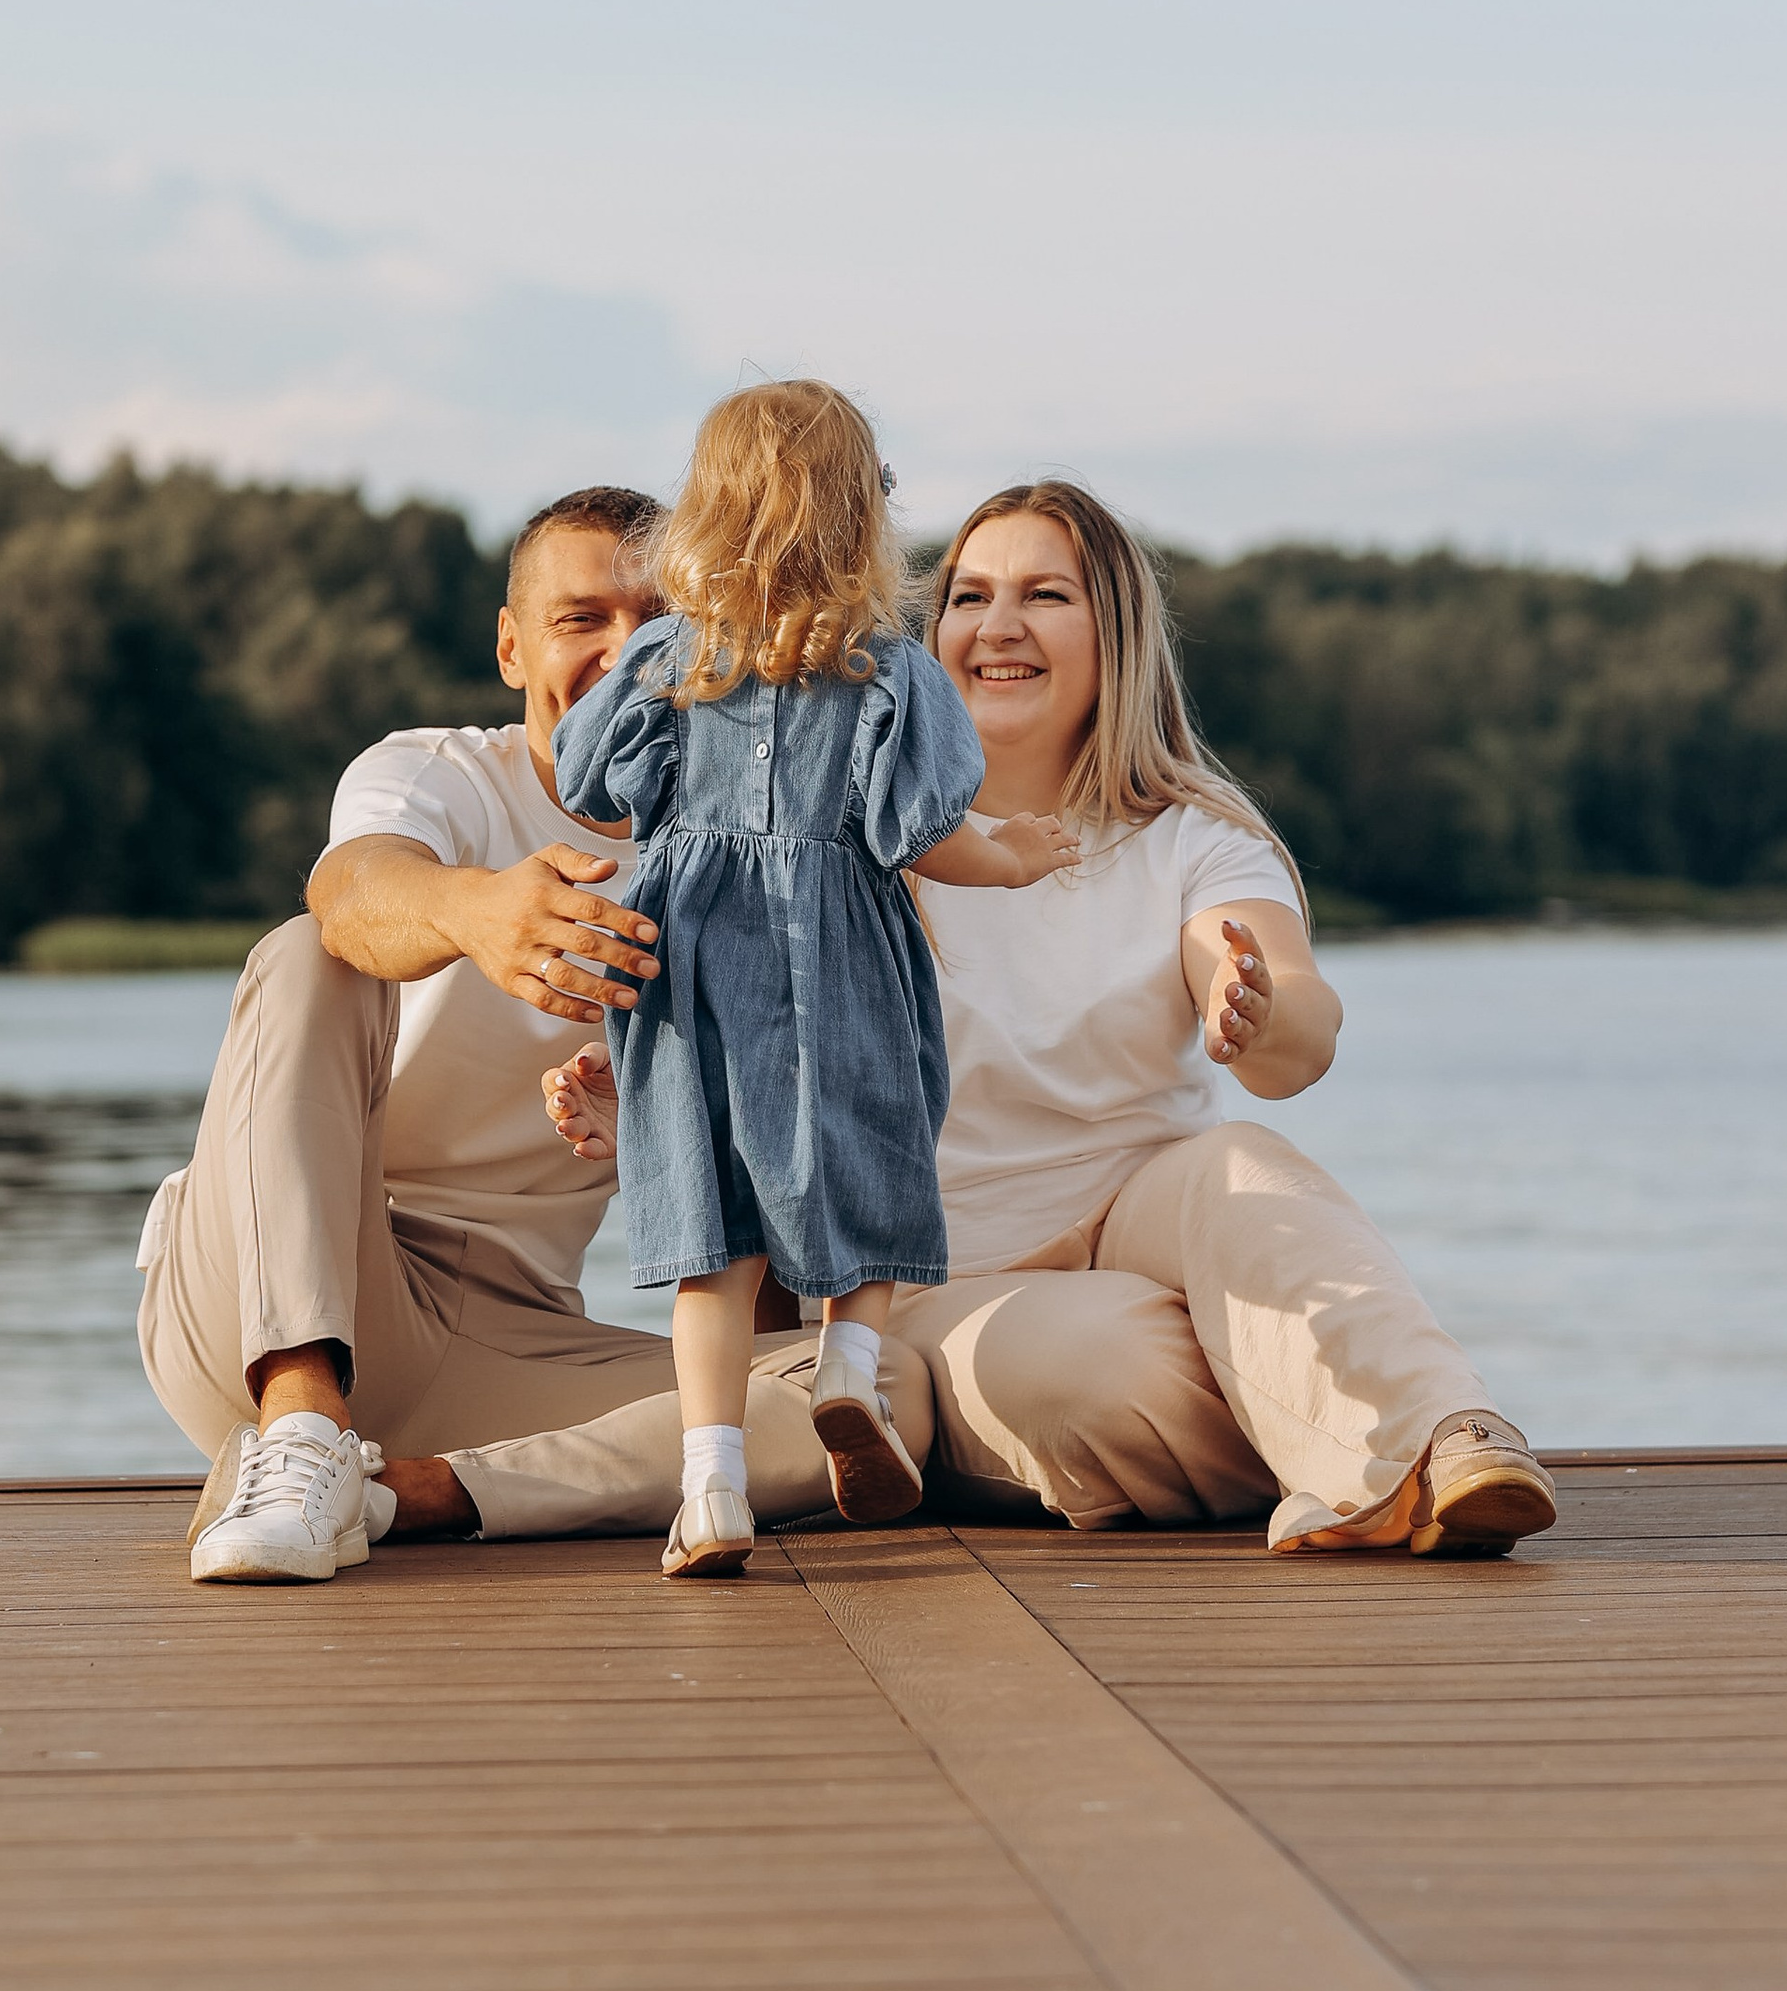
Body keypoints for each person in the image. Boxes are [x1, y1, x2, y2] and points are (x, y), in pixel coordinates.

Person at [534, 477, 1556, 1560]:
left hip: (1147, 1211)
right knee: (1102, 1371)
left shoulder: (1191, 838)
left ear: (1113, 634)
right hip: (936, 1274)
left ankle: (1450, 1438)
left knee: (1244, 1167)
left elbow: (1292, 1010)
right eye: (970, 596)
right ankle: (1352, 1443)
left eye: (1045, 595)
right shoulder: (843, 845)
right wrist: (636, 1117)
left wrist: (1251, 1008)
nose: (999, 624)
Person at [138, 483, 940, 1584]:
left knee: (878, 1393)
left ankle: (403, 1496)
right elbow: (354, 891)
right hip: (274, 1290)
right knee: (305, 952)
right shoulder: (436, 776)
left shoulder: (767, 854)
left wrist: (700, 1129)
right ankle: (297, 1432)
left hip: (508, 1334)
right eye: (582, 620)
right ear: (513, 648)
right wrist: (475, 913)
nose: (627, 651)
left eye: (664, 619)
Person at [546, 383, 1070, 1580]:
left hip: (690, 957)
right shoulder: (886, 671)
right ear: (860, 519)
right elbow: (915, 835)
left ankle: (712, 1486)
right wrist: (1013, 855)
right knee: (874, 1144)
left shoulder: (666, 660)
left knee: (710, 1237)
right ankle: (848, 1372)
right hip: (842, 946)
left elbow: (588, 785)